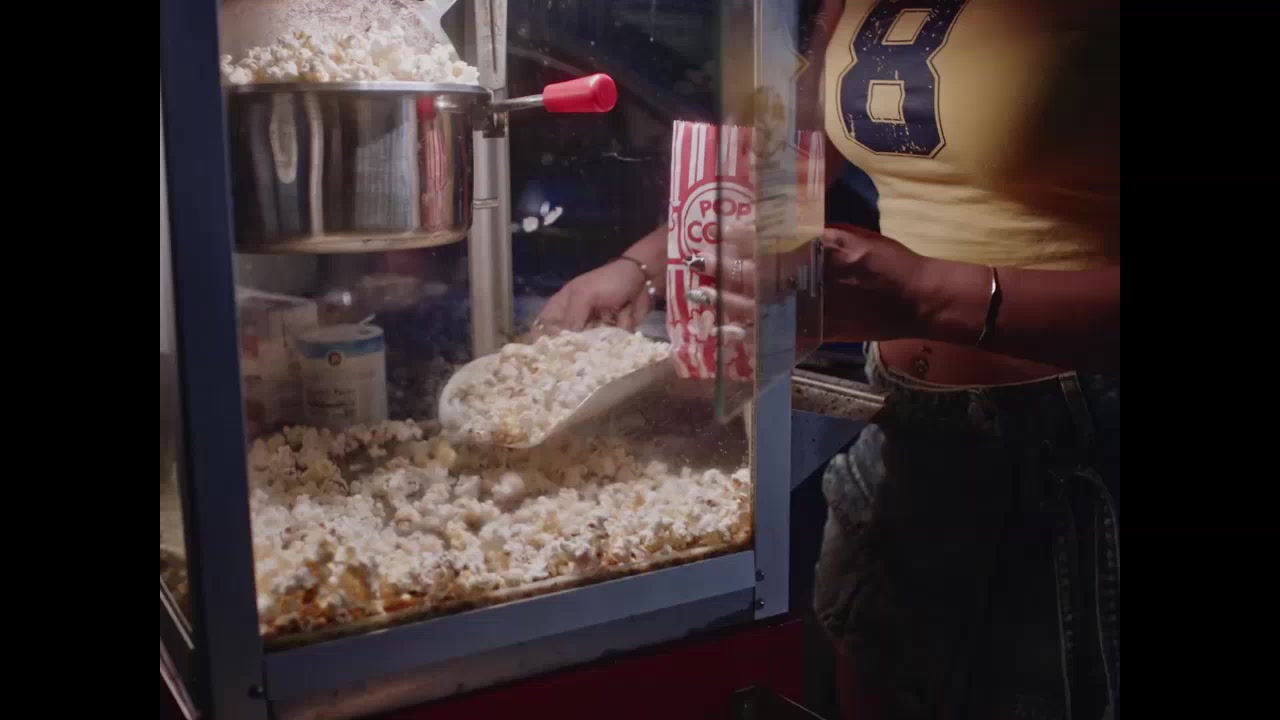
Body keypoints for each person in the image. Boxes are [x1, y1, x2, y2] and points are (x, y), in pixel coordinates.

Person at [538, 1, 1119, 719]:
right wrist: (648, 265)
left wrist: (927, 295)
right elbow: (786, 153)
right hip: (902, 435)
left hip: (1076, 461)